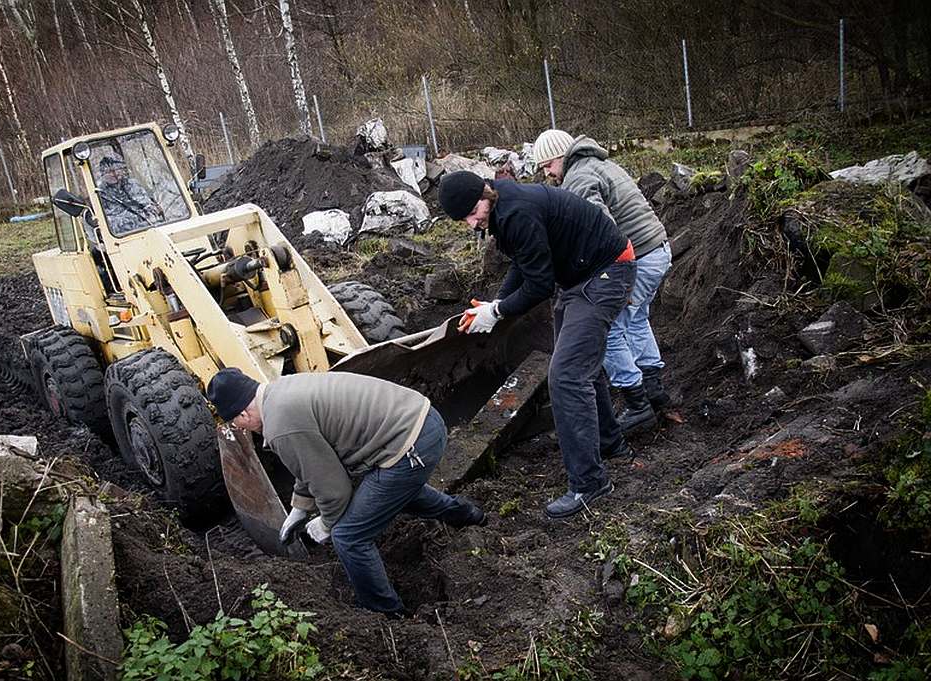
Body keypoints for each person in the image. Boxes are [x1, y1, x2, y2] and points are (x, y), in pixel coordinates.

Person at [206, 368, 486, 617]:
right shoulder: (281, 392)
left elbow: (335, 489)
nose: (238, 428)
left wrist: (325, 524)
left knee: (349, 536)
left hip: (410, 445)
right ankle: (470, 515)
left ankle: (386, 614)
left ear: (243, 413)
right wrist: (300, 508)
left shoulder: (281, 426)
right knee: (397, 494)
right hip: (421, 421)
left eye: (235, 422)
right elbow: (312, 462)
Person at [440, 171, 635, 518]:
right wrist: (495, 304)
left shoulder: (517, 213)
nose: (471, 224)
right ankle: (611, 444)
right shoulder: (502, 207)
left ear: (483, 194)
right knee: (579, 368)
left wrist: (499, 311)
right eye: (465, 220)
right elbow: (524, 263)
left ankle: (589, 483)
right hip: (581, 277)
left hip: (605, 274)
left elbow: (540, 285)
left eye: (472, 213)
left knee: (566, 376)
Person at [533, 129, 673, 433]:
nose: (547, 175)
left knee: (607, 332)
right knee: (636, 320)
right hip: (656, 248)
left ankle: (638, 405)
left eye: (547, 166)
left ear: (560, 156)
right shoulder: (600, 163)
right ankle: (654, 390)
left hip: (639, 256)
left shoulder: (579, 179)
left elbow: (599, 230)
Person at [96, 155, 164, 235]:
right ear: (102, 175)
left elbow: (147, 204)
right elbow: (109, 224)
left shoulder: (133, 184)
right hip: (124, 236)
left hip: (149, 228)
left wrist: (152, 210)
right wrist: (136, 218)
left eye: (116, 170)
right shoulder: (101, 194)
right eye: (108, 172)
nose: (114, 174)